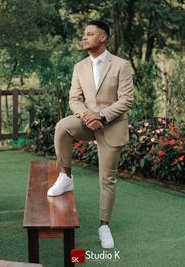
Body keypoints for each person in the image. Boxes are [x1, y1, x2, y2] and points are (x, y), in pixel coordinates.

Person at [47, 20, 134, 249]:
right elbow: (74, 99)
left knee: (107, 179)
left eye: (89, 34)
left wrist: (102, 116)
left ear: (103, 38)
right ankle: (66, 177)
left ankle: (104, 226)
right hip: (87, 121)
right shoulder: (79, 67)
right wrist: (87, 116)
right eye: (84, 34)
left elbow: (127, 99)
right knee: (62, 127)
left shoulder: (121, 65)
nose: (84, 37)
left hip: (112, 125)